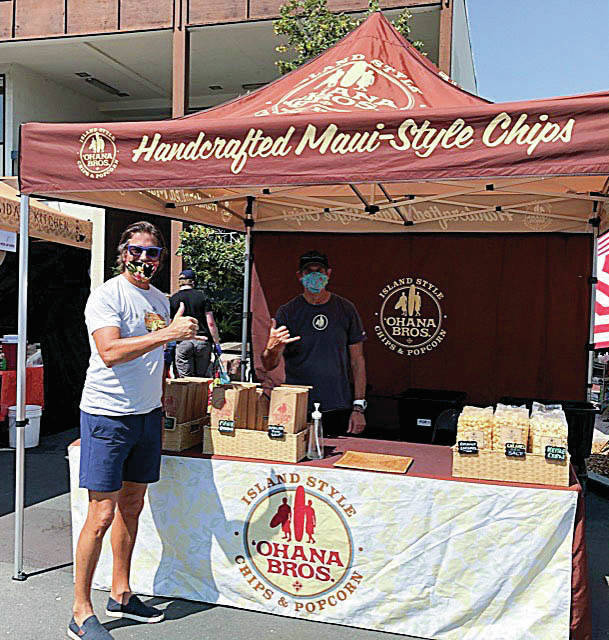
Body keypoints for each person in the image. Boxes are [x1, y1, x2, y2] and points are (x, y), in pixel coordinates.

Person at [70, 221, 202, 640]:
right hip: (107, 415)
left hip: (145, 415)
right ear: (122, 252)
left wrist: (163, 398)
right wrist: (168, 333)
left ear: (162, 259)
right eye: (137, 251)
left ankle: (122, 592)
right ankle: (79, 611)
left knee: (132, 505)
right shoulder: (108, 295)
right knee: (101, 514)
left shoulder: (161, 300)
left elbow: (155, 359)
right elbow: (109, 351)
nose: (145, 259)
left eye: (153, 253)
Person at [261, 250, 367, 436]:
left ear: (328, 274)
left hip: (337, 404)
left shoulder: (345, 309)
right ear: (300, 276)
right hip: (299, 404)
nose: (314, 275)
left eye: (319, 271)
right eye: (309, 271)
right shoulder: (288, 312)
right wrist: (271, 347)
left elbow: (357, 361)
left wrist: (358, 407)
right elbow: (269, 365)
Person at [169, 268, 221, 377]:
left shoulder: (173, 299)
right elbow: (210, 322)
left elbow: (170, 323)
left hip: (183, 341)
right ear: (193, 281)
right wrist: (216, 342)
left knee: (186, 380)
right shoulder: (202, 297)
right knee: (201, 379)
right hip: (203, 341)